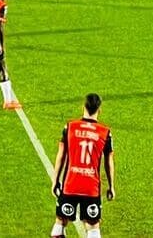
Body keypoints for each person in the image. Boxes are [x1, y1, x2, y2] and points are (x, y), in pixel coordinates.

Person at [51, 93, 116, 238]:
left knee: (60, 222)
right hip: (91, 187)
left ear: (83, 107)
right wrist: (111, 186)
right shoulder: (105, 133)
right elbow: (109, 161)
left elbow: (61, 155)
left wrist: (55, 181)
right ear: (99, 110)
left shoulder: (70, 127)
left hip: (71, 183)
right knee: (93, 227)